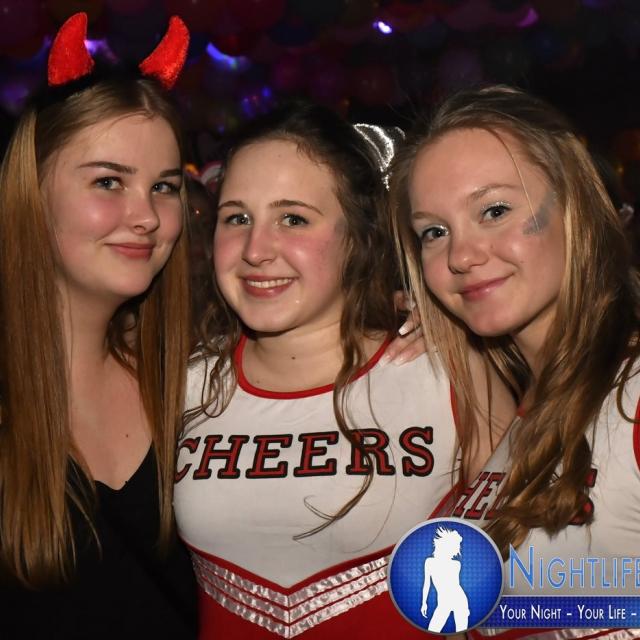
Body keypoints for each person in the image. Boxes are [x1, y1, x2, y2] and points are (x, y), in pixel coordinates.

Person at [172, 102, 507, 639]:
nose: (256, 250)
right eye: (237, 218)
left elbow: (537, 583)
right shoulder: (180, 386)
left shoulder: (453, 372)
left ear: (358, 234)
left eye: (293, 219)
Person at [390, 85, 640, 639]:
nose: (460, 256)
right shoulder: (522, 407)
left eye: (495, 211)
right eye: (434, 232)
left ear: (575, 206)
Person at [0, 13, 196, 639]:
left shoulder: (198, 386)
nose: (147, 216)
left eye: (164, 186)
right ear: (31, 191)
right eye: (109, 181)